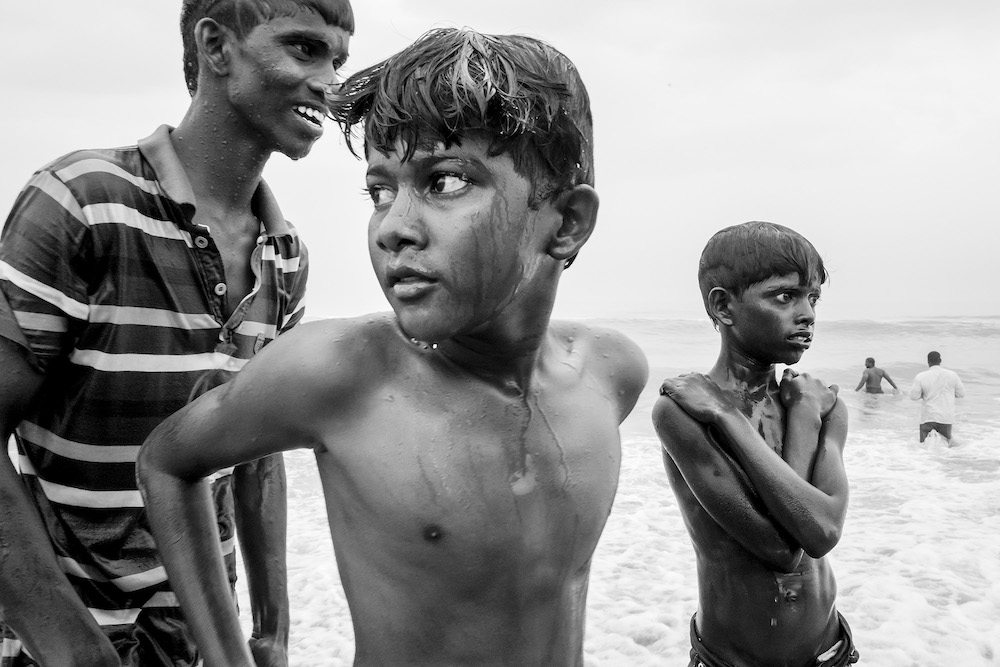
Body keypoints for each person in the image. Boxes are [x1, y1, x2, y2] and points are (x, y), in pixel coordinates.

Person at [137, 27, 649, 666]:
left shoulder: (609, 374)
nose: (394, 228)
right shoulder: (342, 376)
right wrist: (245, 646)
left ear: (567, 222)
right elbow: (168, 461)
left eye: (446, 182)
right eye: (380, 191)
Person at [0, 1, 354, 664]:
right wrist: (73, 646)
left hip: (197, 643)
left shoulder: (286, 255)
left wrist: (271, 631)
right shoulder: (83, 203)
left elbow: (256, 449)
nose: (330, 81)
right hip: (60, 640)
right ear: (216, 47)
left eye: (339, 58)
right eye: (305, 49)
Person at [653, 221, 859, 667]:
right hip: (732, 659)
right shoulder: (682, 412)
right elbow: (781, 551)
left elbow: (821, 530)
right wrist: (728, 413)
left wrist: (748, 418)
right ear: (724, 305)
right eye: (785, 296)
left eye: (813, 297)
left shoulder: (819, 405)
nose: (807, 313)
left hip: (830, 651)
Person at [909, 350, 965, 443]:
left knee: (923, 447)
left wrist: (923, 394)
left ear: (928, 361)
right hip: (945, 417)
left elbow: (914, 397)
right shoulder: (952, 375)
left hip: (928, 417)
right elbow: (961, 394)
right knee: (946, 447)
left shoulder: (921, 376)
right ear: (940, 361)